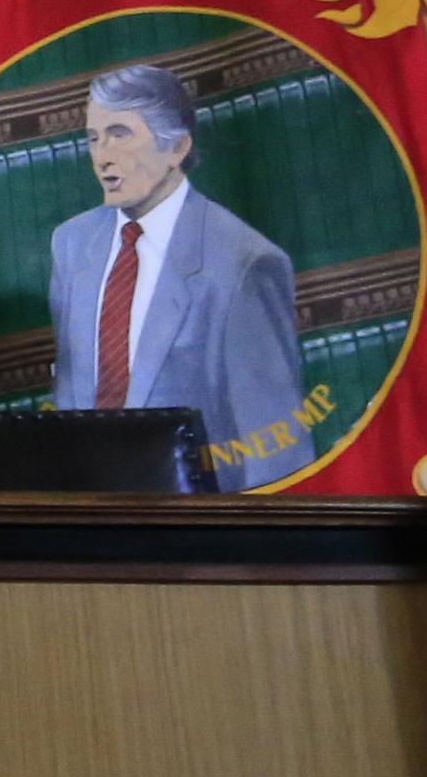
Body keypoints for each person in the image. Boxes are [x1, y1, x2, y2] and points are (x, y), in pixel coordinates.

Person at [44, 63, 312, 490]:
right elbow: (70, 396)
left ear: (178, 148)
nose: (102, 156)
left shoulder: (245, 264)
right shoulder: (72, 244)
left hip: (199, 530)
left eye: (120, 134)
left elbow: (276, 449)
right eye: (93, 138)